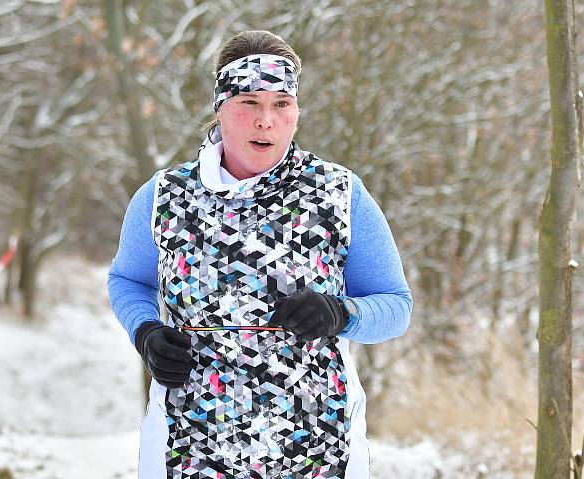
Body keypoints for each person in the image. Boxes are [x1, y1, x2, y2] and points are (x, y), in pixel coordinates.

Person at [108, 30, 413, 479]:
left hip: (314, 440)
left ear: (296, 112)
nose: (265, 120)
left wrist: (341, 313)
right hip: (189, 438)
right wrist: (146, 332)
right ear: (220, 109)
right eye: (249, 103)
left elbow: (396, 305)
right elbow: (128, 280)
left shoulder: (339, 194)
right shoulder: (164, 196)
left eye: (281, 104)